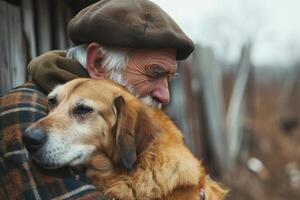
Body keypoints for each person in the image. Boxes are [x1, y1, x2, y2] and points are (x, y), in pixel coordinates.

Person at [0, 0, 194, 199]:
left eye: (168, 78)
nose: (165, 95)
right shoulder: (25, 110)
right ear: (98, 63)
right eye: (154, 74)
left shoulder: (129, 125)